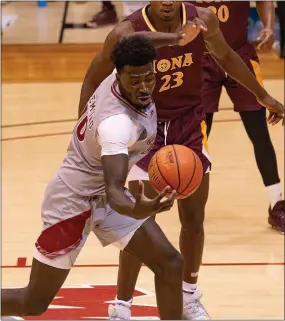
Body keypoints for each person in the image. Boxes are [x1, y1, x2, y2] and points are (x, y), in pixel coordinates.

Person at [78, 2, 284, 320]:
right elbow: (93, 78)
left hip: (189, 124)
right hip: (142, 125)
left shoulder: (202, 20)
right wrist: (85, 138)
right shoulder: (128, 31)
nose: (166, 3)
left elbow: (228, 57)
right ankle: (122, 305)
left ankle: (188, 296)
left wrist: (261, 94)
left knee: (194, 219)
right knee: (138, 224)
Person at [0, 35, 192, 321]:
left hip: (101, 193)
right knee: (33, 302)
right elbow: (116, 192)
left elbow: (120, 42)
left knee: (171, 263)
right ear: (121, 73)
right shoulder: (116, 125)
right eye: (135, 80)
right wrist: (139, 209)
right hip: (72, 203)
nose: (143, 87)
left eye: (149, 77)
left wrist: (175, 37)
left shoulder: (118, 68)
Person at [190, 1, 284, 234]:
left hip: (239, 55)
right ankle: (193, 204)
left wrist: (269, 26)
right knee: (200, 137)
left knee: (259, 133)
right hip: (200, 59)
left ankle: (277, 204)